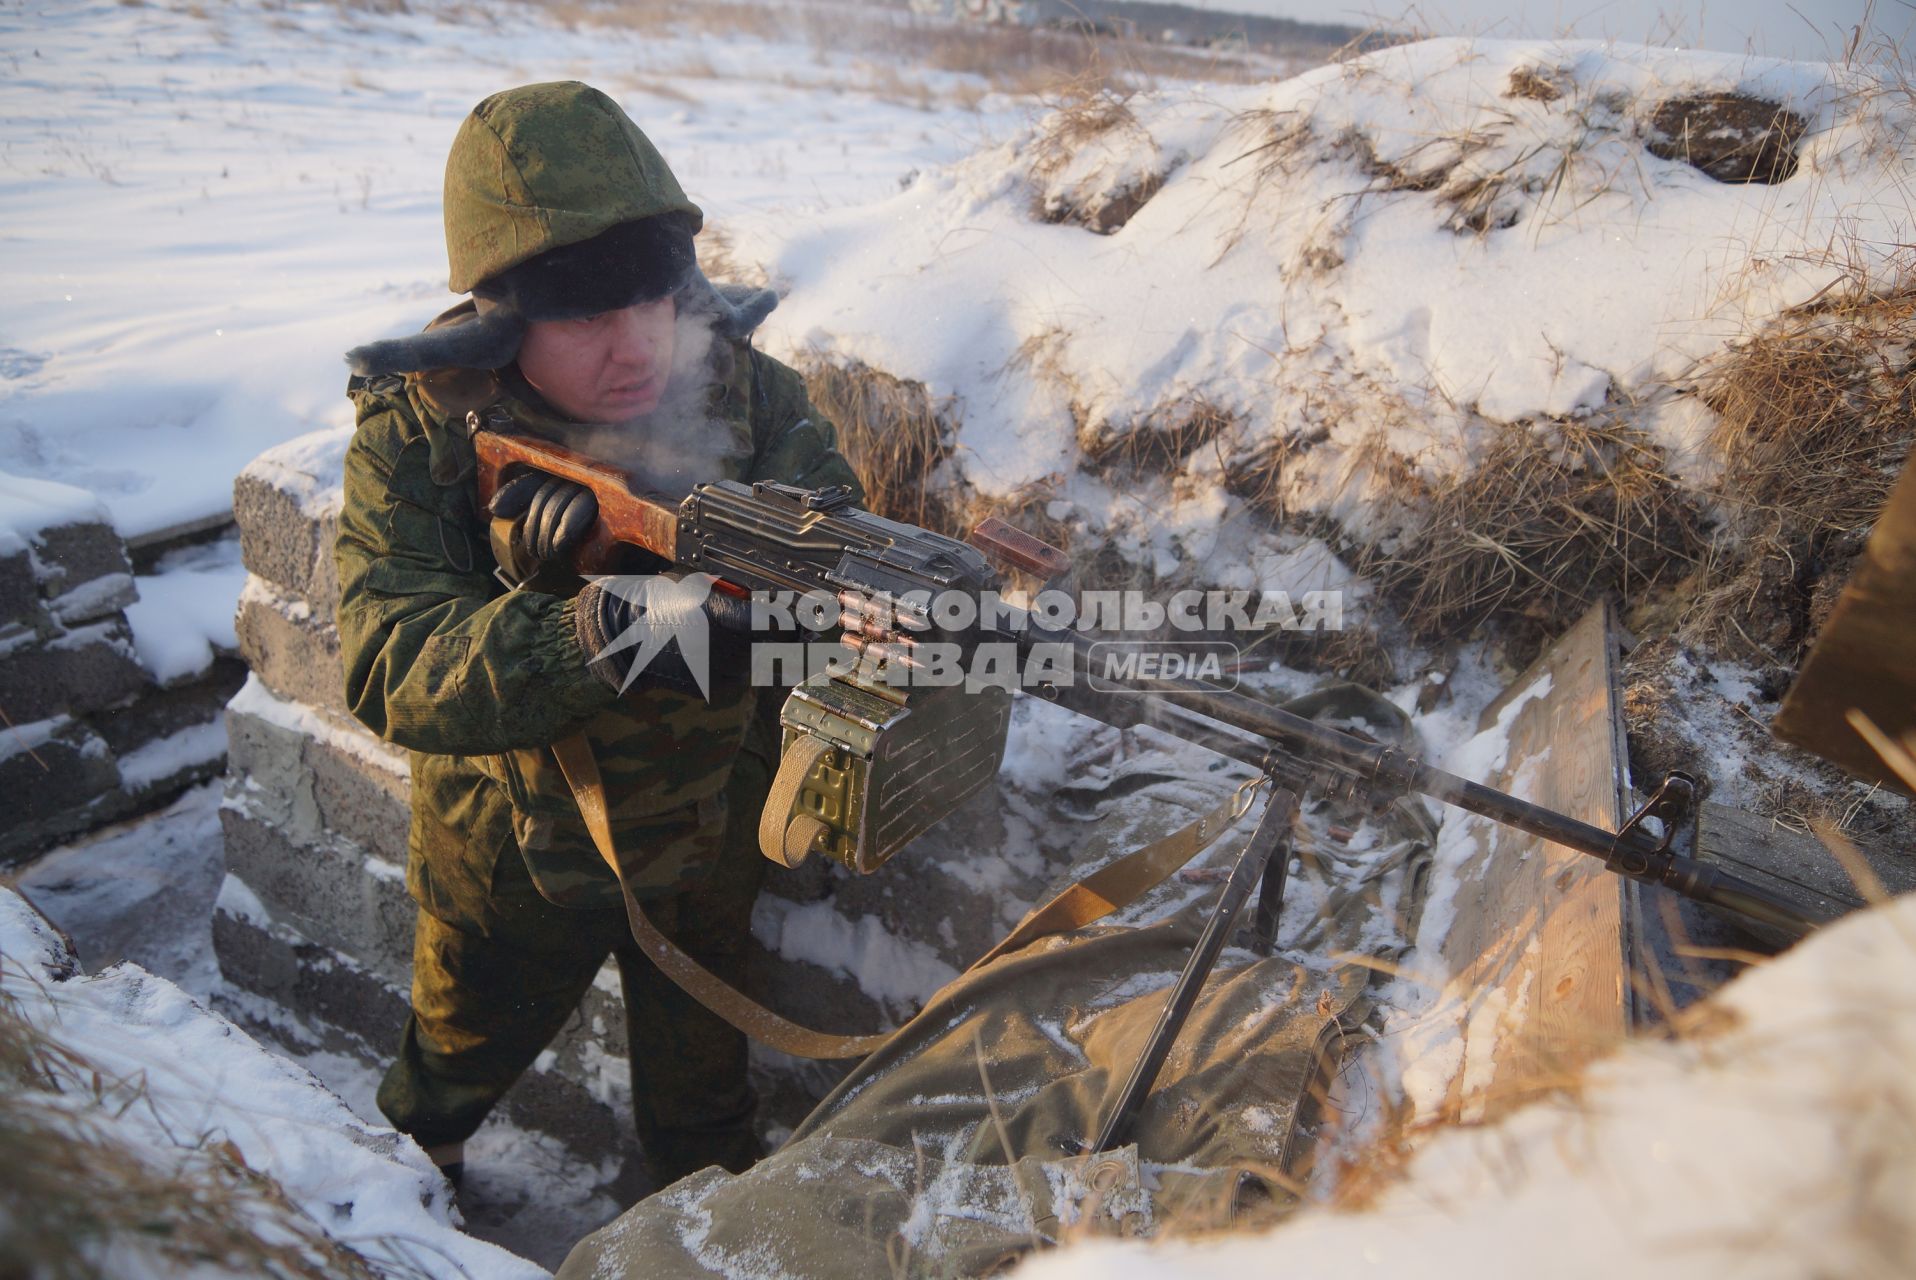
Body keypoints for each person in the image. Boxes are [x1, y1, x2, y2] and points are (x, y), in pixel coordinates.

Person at [332, 80, 862, 1191]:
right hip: (510, 851)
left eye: (655, 300)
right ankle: (405, 1198)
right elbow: (389, 660)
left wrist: (811, 614)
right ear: (504, 319)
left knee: (706, 1102)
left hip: (706, 830)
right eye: (580, 314)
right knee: (447, 1066)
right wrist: (598, 629)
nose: (634, 346)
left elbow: (836, 550)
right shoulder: (422, 432)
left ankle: (692, 1228)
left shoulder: (755, 399)